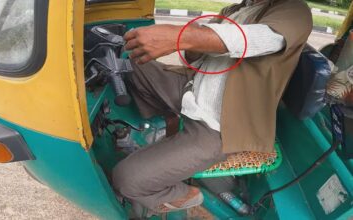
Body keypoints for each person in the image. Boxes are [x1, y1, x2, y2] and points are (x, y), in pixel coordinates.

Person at [112, 0, 313, 213]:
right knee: (131, 63)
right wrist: (191, 41)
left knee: (126, 180)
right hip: (193, 89)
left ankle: (184, 194)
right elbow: (199, 52)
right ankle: (169, 127)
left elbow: (259, 39)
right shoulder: (237, 9)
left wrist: (180, 36)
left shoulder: (294, 10)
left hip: (221, 123)